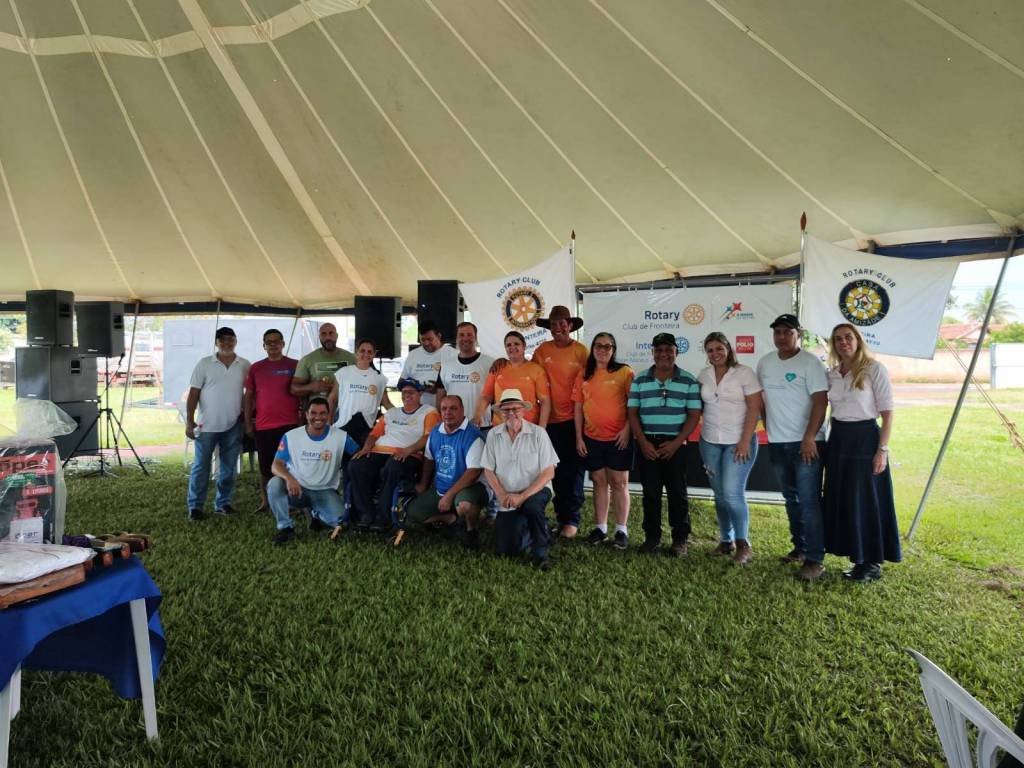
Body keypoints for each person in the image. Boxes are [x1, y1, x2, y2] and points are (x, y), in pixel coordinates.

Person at [823, 323, 900, 583]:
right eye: (838, 339)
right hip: (839, 440)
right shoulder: (833, 374)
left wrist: (882, 450)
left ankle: (872, 562)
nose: (843, 342)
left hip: (865, 439)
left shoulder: (874, 369)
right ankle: (857, 558)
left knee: (865, 500)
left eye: (848, 337)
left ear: (858, 340)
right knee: (844, 498)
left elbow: (888, 414)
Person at [756, 314, 829, 581]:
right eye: (777, 332)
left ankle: (815, 559)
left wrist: (809, 437)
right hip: (778, 442)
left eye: (788, 332)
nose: (781, 337)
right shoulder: (765, 363)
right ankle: (800, 548)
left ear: (799, 335)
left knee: (809, 501)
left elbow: (821, 402)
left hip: (807, 444)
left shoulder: (811, 362)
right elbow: (761, 399)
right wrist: (768, 426)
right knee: (791, 498)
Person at [627, 333, 702, 556]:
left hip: (676, 445)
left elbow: (694, 415)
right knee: (650, 493)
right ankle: (652, 537)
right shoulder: (640, 380)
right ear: (653, 352)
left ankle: (680, 539)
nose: (664, 354)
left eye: (669, 350)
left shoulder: (688, 380)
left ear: (676, 352)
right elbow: (632, 413)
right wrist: (643, 442)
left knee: (677, 493)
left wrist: (676, 443)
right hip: (648, 443)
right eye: (659, 350)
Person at [697, 332, 763, 565]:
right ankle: (726, 540)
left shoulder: (744, 373)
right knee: (719, 494)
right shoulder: (704, 375)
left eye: (719, 348)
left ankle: (743, 544)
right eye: (710, 350)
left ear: (728, 349)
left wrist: (745, 441)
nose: (715, 353)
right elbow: (698, 406)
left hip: (738, 442)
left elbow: (755, 408)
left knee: (732, 494)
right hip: (709, 441)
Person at [481, 389, 559, 570]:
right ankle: (538, 527)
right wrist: (501, 495)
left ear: (523, 411)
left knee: (532, 506)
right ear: (500, 413)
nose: (511, 413)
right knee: (507, 549)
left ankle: (541, 552)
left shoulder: (538, 433)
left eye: (515, 409)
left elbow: (549, 472)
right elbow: (488, 470)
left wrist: (522, 496)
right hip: (508, 496)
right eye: (506, 410)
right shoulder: (493, 435)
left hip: (536, 490)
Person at [348, 378, 441, 531]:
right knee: (356, 465)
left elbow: (428, 437)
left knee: (392, 467)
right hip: (380, 452)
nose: (407, 395)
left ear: (420, 394)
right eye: (404, 392)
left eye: (411, 392)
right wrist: (366, 448)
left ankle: (383, 517)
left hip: (409, 454)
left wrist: (408, 450)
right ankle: (366, 514)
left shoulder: (429, 412)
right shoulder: (391, 413)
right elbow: (374, 434)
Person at [573, 332, 634, 550]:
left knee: (619, 483)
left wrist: (627, 430)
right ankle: (601, 528)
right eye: (598, 346)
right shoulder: (584, 374)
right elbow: (578, 407)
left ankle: (621, 530)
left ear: (613, 350)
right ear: (593, 348)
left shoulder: (624, 372)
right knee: (599, 482)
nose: (603, 350)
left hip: (618, 438)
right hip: (592, 438)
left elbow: (633, 405)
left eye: (608, 346)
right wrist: (579, 437)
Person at [533, 305, 589, 539]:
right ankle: (561, 517)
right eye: (553, 324)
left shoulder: (581, 351)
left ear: (570, 325)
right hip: (550, 421)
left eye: (562, 324)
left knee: (574, 471)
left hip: (576, 421)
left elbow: (591, 381)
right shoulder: (542, 350)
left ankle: (572, 520)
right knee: (555, 471)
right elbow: (529, 373)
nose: (558, 328)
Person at [406, 395, 488, 549]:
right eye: (444, 409)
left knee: (465, 505)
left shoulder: (473, 436)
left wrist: (449, 495)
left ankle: (471, 531)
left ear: (462, 410)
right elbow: (429, 459)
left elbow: (473, 473)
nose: (448, 412)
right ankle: (450, 519)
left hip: (471, 488)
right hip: (441, 489)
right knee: (413, 514)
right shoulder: (436, 431)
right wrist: (423, 483)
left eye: (453, 408)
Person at [185, 326, 250, 521]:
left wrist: (245, 416)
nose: (226, 343)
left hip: (233, 424)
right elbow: (194, 393)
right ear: (216, 342)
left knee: (228, 468)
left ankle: (223, 503)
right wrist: (189, 421)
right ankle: (195, 506)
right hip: (206, 426)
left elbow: (250, 393)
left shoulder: (245, 364)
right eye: (222, 339)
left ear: (236, 341)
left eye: (230, 339)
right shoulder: (204, 363)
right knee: (201, 467)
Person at [267, 397, 349, 545]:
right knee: (274, 484)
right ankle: (285, 528)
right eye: (313, 413)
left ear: (329, 414)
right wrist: (290, 479)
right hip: (297, 490)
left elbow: (358, 455)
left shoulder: (341, 437)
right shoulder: (291, 436)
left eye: (322, 413)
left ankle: (315, 513)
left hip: (324, 490)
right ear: (306, 415)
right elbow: (276, 465)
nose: (318, 417)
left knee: (342, 522)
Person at [243, 328, 300, 513]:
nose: (273, 345)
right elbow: (248, 396)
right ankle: (266, 503)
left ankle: (292, 503)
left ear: (283, 344)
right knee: (265, 468)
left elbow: (302, 393)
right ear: (264, 346)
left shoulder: (295, 365)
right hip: (264, 426)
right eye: (269, 342)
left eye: (276, 341)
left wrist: (302, 419)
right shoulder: (256, 368)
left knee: (290, 467)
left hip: (290, 425)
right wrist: (248, 423)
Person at [474, 331, 551, 428]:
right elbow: (486, 396)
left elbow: (544, 401)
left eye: (516, 344)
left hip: (529, 427)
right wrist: (477, 416)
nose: (512, 347)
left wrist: (542, 427)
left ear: (524, 346)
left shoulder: (536, 370)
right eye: (508, 345)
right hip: (501, 427)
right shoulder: (497, 368)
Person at [435, 322, 494, 429]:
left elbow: (495, 396)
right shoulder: (446, 366)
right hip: (453, 427)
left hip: (482, 427)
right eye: (461, 335)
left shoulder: (490, 363)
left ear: (476, 338)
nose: (465, 338)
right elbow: (440, 397)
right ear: (456, 339)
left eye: (469, 335)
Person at [328, 338, 388, 438]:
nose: (366, 354)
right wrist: (328, 423)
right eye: (362, 351)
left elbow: (386, 403)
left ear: (374, 354)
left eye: (370, 352)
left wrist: (403, 414)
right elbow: (332, 398)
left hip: (366, 428)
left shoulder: (379, 378)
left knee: (363, 449)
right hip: (343, 427)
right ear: (356, 352)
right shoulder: (343, 373)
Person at [291, 322, 356, 407]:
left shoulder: (352, 358)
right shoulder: (307, 360)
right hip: (319, 412)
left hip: (346, 410)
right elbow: (294, 389)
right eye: (323, 334)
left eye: (331, 333)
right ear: (319, 337)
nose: (328, 337)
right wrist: (312, 387)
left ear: (336, 336)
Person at [400, 321, 457, 408]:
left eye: (430, 339)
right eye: (423, 340)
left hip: (444, 411)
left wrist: (440, 388)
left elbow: (459, 384)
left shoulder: (453, 354)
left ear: (439, 336)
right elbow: (401, 382)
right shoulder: (413, 355)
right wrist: (419, 387)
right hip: (417, 411)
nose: (426, 343)